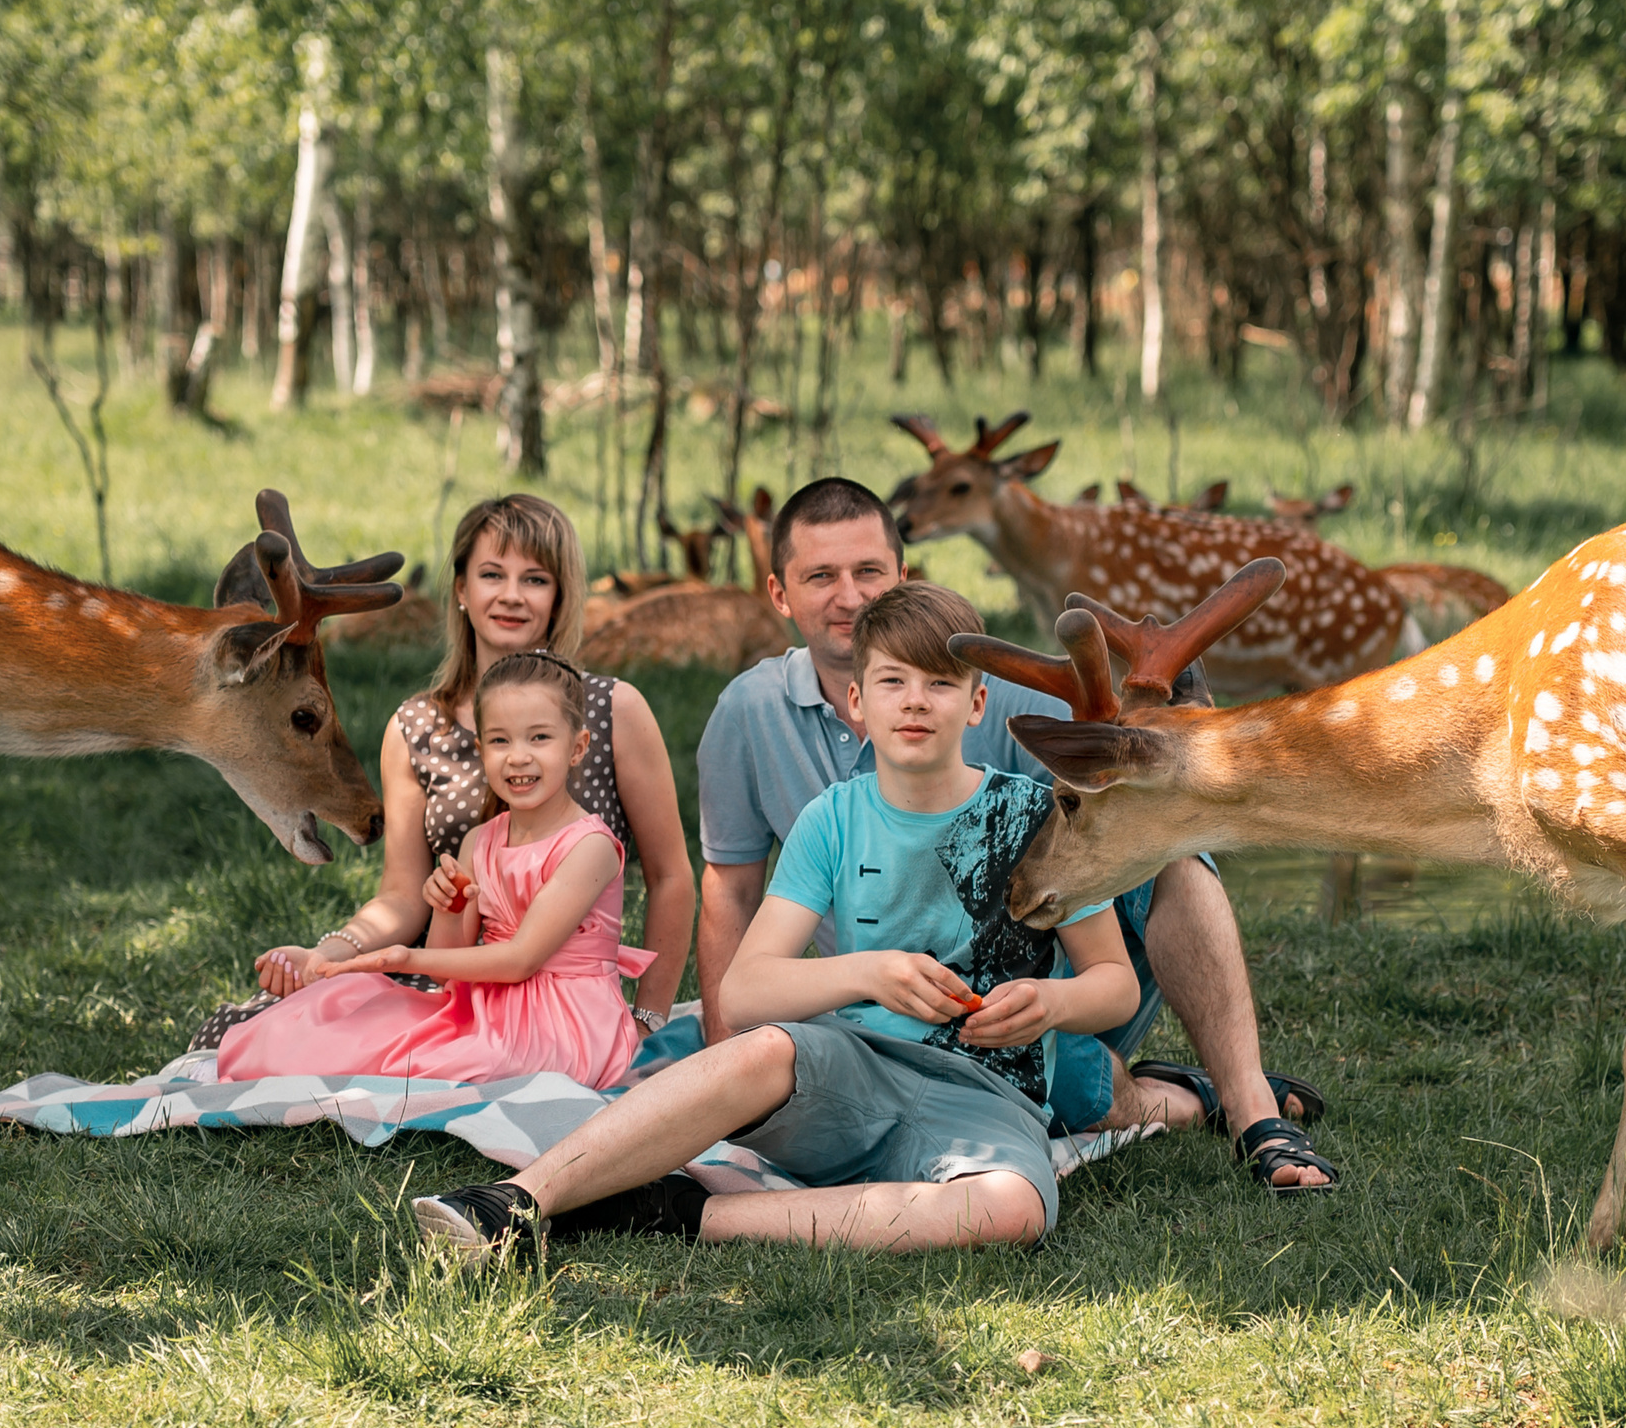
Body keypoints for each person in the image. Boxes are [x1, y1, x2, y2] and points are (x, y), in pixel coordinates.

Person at [412, 584, 1141, 1257]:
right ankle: (514, 1201)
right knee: (762, 1049)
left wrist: (1051, 1002)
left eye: (940, 684)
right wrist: (868, 973)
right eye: (893, 681)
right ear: (857, 700)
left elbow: (1115, 985)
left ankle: (676, 1212)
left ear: (977, 704)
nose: (915, 701)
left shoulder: (1038, 816)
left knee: (1013, 1207)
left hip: (989, 1098)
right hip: (853, 1072)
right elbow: (744, 993)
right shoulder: (832, 818)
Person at [686, 477, 1334, 1189]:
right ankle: (1174, 1095)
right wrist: (724, 1073)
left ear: (903, 574)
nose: (850, 596)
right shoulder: (749, 713)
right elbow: (729, 885)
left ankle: (1250, 1108)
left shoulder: (999, 694)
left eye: (868, 570)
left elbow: (1130, 796)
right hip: (874, 1020)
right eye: (821, 576)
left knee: (1170, 851)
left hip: (1029, 998)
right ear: (779, 594)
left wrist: (1169, 735)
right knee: (1090, 1099)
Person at [188, 493, 692, 1051]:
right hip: (441, 974)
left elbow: (671, 876)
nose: (510, 596)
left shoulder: (611, 709)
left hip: (554, 998)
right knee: (257, 1031)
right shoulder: (416, 725)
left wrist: (649, 1018)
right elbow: (404, 896)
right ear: (460, 589)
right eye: (492, 574)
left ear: (560, 594)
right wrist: (330, 954)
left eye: (535, 580)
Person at [215, 653, 653, 1090]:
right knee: (347, 1005)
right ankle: (251, 1063)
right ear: (481, 750)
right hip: (487, 1005)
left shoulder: (589, 846)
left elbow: (520, 960)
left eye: (539, 738)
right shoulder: (479, 840)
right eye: (500, 741)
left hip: (567, 1023)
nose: (518, 757)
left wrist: (406, 959)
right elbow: (447, 971)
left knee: (439, 1062)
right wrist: (447, 909)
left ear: (577, 747)